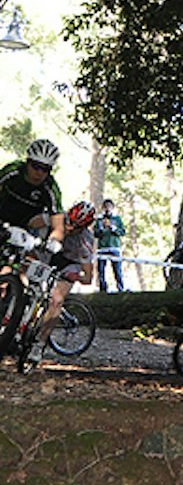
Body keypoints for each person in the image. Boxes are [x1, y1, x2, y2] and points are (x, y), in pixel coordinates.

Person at [31, 200, 96, 360]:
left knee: (56, 299)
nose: (70, 228)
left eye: (76, 227)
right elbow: (30, 223)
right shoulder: (56, 217)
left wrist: (78, 277)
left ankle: (40, 344)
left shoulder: (86, 241)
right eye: (69, 222)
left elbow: (88, 277)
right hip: (48, 255)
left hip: (69, 264)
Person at [0, 137, 65, 254]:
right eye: (35, 166)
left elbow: (58, 226)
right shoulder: (13, 171)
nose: (39, 173)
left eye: (45, 169)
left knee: (23, 269)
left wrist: (53, 241)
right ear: (27, 162)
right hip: (1, 221)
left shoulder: (50, 188)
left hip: (24, 234)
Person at [95, 199, 127, 290]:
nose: (107, 209)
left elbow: (122, 232)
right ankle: (103, 289)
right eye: (105, 207)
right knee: (101, 271)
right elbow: (95, 233)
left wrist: (113, 228)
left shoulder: (117, 219)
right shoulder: (99, 220)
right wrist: (101, 229)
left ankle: (120, 288)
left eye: (109, 207)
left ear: (112, 208)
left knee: (117, 270)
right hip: (102, 248)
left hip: (114, 247)